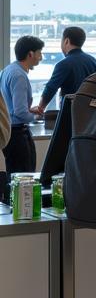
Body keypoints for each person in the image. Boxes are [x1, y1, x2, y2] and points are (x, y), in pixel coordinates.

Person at [0, 35, 43, 203]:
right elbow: (19, 112)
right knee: (24, 181)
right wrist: (35, 115)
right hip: (18, 135)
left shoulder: (9, 70)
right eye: (40, 53)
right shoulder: (19, 76)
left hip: (10, 134)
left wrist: (28, 110)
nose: (41, 57)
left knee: (12, 180)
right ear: (30, 54)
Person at [31, 26, 96, 115]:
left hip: (70, 113)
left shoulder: (64, 64)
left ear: (66, 41)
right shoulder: (93, 61)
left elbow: (51, 88)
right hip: (90, 113)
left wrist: (41, 107)